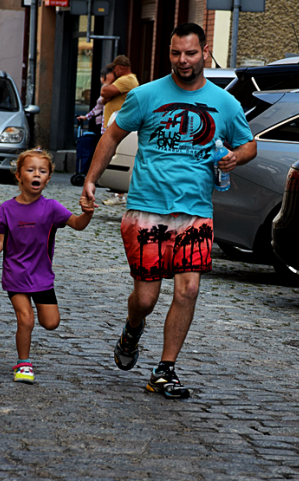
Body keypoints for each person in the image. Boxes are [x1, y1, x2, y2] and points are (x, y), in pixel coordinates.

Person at [81, 23, 257, 399]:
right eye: (176, 53)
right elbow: (111, 135)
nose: (183, 61)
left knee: (188, 289)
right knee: (146, 299)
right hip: (146, 209)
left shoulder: (225, 103)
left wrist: (233, 158)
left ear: (204, 52)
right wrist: (91, 180)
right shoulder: (145, 96)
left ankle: (165, 370)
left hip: (195, 211)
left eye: (190, 53)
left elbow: (248, 146)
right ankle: (132, 329)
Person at [0, 149, 94, 383]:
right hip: (15, 274)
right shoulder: (6, 209)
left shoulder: (53, 208)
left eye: (42, 171)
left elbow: (77, 224)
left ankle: (25, 355)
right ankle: (23, 363)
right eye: (30, 170)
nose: (36, 174)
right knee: (25, 318)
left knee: (51, 323)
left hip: (41, 276)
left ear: (48, 178)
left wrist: (87, 213)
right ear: (19, 176)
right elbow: (0, 240)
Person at [99, 55, 139, 206]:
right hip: (114, 125)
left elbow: (104, 93)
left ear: (120, 68)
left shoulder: (126, 79)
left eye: (115, 68)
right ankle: (119, 193)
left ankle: (120, 195)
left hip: (117, 126)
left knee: (115, 157)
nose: (113, 71)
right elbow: (104, 99)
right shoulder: (127, 80)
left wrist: (108, 83)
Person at [77, 67, 114, 136]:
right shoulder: (108, 89)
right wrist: (86, 117)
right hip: (103, 125)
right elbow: (98, 107)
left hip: (107, 126)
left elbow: (99, 107)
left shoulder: (110, 90)